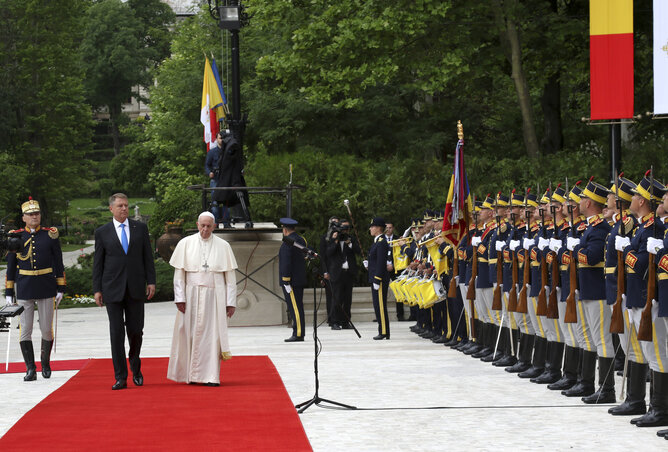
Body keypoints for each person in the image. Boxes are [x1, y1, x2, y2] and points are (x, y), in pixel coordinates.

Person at [93, 193, 156, 390]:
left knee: (136, 331)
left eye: (126, 205)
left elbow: (148, 257)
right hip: (112, 289)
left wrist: (151, 281)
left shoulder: (140, 229)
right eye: (120, 206)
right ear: (111, 209)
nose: (124, 209)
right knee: (116, 333)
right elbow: (98, 263)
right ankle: (120, 376)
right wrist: (97, 289)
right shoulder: (102, 232)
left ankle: (135, 368)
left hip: (136, 287)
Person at [167, 212, 238, 386]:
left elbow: (230, 278)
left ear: (214, 226)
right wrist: (180, 298)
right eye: (202, 225)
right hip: (190, 295)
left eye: (209, 226)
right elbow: (179, 275)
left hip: (215, 297)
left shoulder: (224, 246)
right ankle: (189, 375)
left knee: (212, 337)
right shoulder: (185, 243)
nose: (205, 229)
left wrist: (231, 302)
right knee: (188, 333)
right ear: (197, 225)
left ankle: (210, 376)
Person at [5, 197, 66, 381]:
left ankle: (45, 363)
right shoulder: (15, 237)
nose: (34, 217)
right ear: (23, 217)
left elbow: (58, 261)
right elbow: (10, 266)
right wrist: (9, 292)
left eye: (37, 214)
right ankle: (30, 368)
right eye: (30, 214)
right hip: (24, 287)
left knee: (46, 328)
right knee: (26, 329)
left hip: (46, 285)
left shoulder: (50, 235)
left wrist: (61, 287)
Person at [327, 219, 361, 329]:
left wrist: (350, 243)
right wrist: (335, 240)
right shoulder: (333, 238)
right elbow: (328, 253)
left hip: (348, 273)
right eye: (343, 228)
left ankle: (345, 321)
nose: (345, 231)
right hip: (337, 273)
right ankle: (334, 322)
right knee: (336, 298)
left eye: (347, 228)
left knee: (347, 299)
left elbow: (359, 251)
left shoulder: (351, 239)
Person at [279, 217, 307, 342]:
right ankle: (298, 332)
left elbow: (286, 263)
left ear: (285, 230)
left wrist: (285, 280)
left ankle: (298, 333)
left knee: (295, 307)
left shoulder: (288, 242)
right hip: (299, 279)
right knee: (297, 306)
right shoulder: (301, 240)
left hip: (291, 281)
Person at [367, 217, 390, 340]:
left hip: (379, 279)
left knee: (380, 305)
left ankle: (384, 331)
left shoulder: (381, 242)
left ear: (378, 228)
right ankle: (383, 330)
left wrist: (377, 279)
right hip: (375, 277)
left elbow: (381, 262)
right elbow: (376, 261)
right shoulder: (377, 241)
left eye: (372, 226)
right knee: (377, 305)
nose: (370, 229)